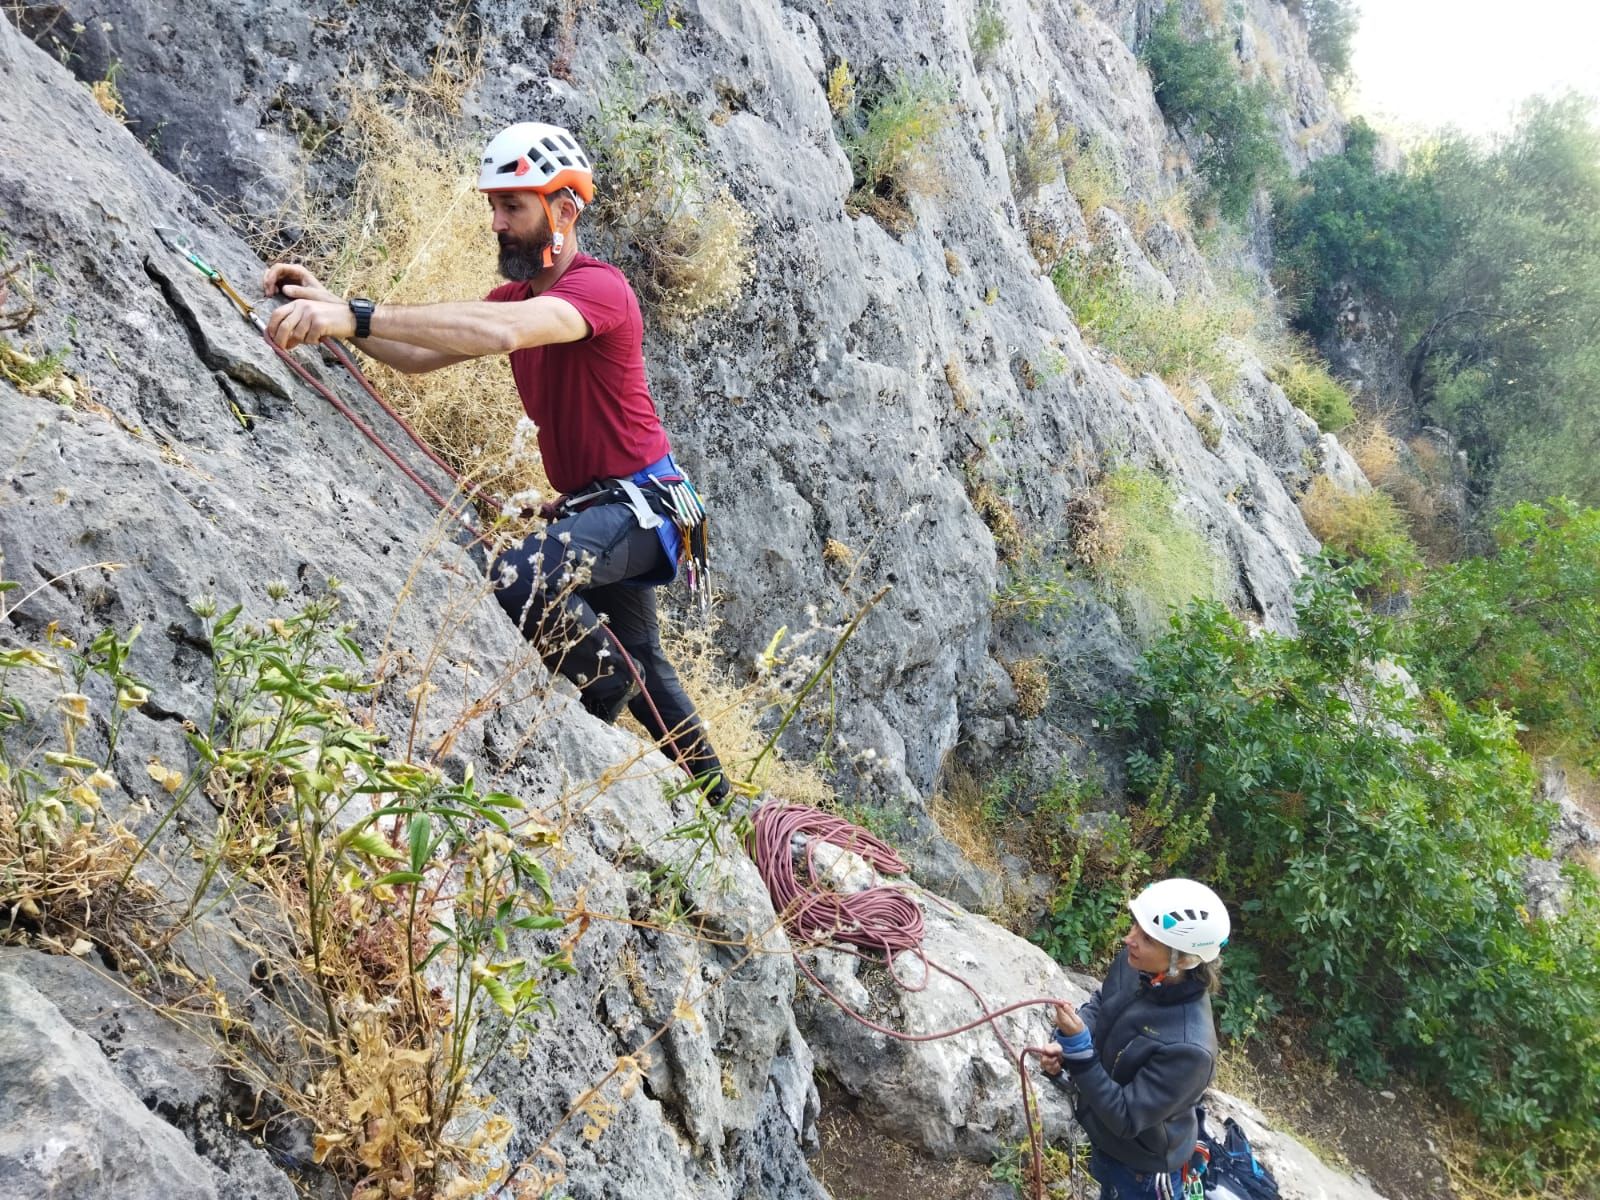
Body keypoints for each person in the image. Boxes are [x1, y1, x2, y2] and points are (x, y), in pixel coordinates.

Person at [260, 120, 727, 800]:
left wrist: (354, 315)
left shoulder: (599, 290)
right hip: (602, 507)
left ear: (563, 210)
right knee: (651, 668)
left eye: (512, 207)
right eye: (493, 207)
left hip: (643, 505)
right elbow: (419, 355)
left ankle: (608, 689)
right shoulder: (514, 298)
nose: (496, 223)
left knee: (524, 578)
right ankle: (722, 805)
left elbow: (497, 335)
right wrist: (332, 306)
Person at [1039, 878, 1230, 1200]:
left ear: (1182, 960)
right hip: (1104, 1133)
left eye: (1147, 938)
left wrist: (1080, 1052)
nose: (1129, 939)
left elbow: (1127, 1118)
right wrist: (1073, 1039)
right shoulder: (1140, 966)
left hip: (1143, 1166)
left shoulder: (1190, 1048)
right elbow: (1104, 1002)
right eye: (1134, 927)